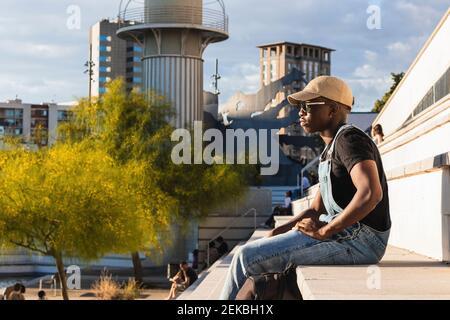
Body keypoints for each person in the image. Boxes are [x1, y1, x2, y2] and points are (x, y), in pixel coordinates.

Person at [220, 76, 391, 300]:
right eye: (300, 106)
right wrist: (278, 231)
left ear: (332, 109)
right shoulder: (330, 150)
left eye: (308, 106)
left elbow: (370, 193)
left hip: (360, 241)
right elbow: (316, 208)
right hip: (346, 235)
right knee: (254, 253)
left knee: (246, 257)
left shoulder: (349, 140)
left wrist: (324, 231)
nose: (300, 112)